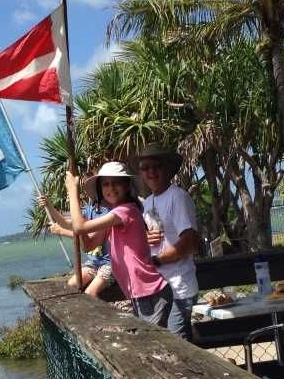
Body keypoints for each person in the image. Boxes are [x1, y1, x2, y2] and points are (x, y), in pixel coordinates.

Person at [64, 161, 173, 327]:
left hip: (151, 292)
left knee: (151, 349)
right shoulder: (114, 217)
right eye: (106, 184)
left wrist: (73, 192)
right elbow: (89, 245)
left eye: (116, 183)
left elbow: (79, 226)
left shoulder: (126, 211)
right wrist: (81, 228)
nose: (111, 188)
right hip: (139, 294)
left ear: (127, 186)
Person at [134, 145, 200, 340]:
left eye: (156, 166)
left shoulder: (178, 197)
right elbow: (149, 239)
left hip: (180, 287)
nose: (151, 172)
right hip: (162, 290)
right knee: (170, 346)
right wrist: (145, 240)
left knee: (177, 346)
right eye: (145, 168)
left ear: (168, 170)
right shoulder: (148, 203)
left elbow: (189, 242)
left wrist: (156, 261)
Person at [38, 193, 116, 298]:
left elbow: (89, 238)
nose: (68, 198)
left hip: (110, 263)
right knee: (70, 287)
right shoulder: (89, 209)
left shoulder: (107, 211)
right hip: (94, 263)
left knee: (90, 293)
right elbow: (66, 223)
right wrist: (49, 206)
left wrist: (61, 231)